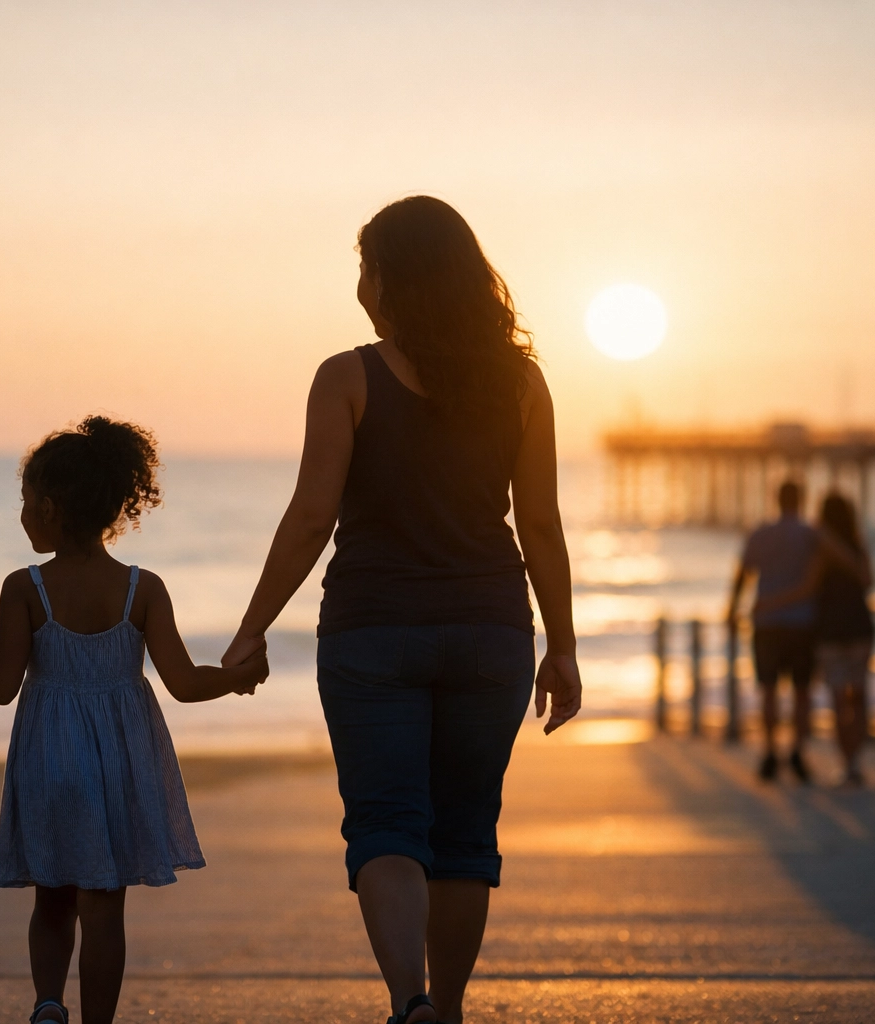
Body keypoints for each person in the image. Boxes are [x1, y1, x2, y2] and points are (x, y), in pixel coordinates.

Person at [217, 196, 582, 1024]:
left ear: (390, 276)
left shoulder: (347, 377)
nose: (358, 284)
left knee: (385, 826)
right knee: (463, 837)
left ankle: (408, 1001)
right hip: (491, 632)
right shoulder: (521, 383)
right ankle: (446, 1012)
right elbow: (543, 525)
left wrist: (251, 628)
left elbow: (312, 516)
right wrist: (562, 646)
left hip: (373, 633)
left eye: (364, 266)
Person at [0, 416, 268, 1024]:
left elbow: (0, 687)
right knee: (105, 909)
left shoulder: (24, 589)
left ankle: (49, 1004)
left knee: (52, 898)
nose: (22, 514)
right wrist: (236, 676)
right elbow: (184, 684)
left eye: (26, 502)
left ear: (50, 508)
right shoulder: (142, 589)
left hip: (49, 760)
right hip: (120, 764)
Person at [755, 493, 875, 786]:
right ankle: (854, 763)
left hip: (831, 632)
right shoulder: (859, 546)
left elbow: (807, 588)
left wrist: (770, 602)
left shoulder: (822, 548)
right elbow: (869, 580)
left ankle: (847, 763)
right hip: (861, 627)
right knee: (858, 697)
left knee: (838, 699)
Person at [727, 480, 819, 783]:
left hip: (766, 622)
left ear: (776, 500)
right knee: (802, 691)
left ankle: (769, 751)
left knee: (768, 690)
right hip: (803, 623)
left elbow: (744, 573)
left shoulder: (760, 533)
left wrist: (733, 608)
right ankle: (797, 751)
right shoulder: (810, 536)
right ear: (801, 500)